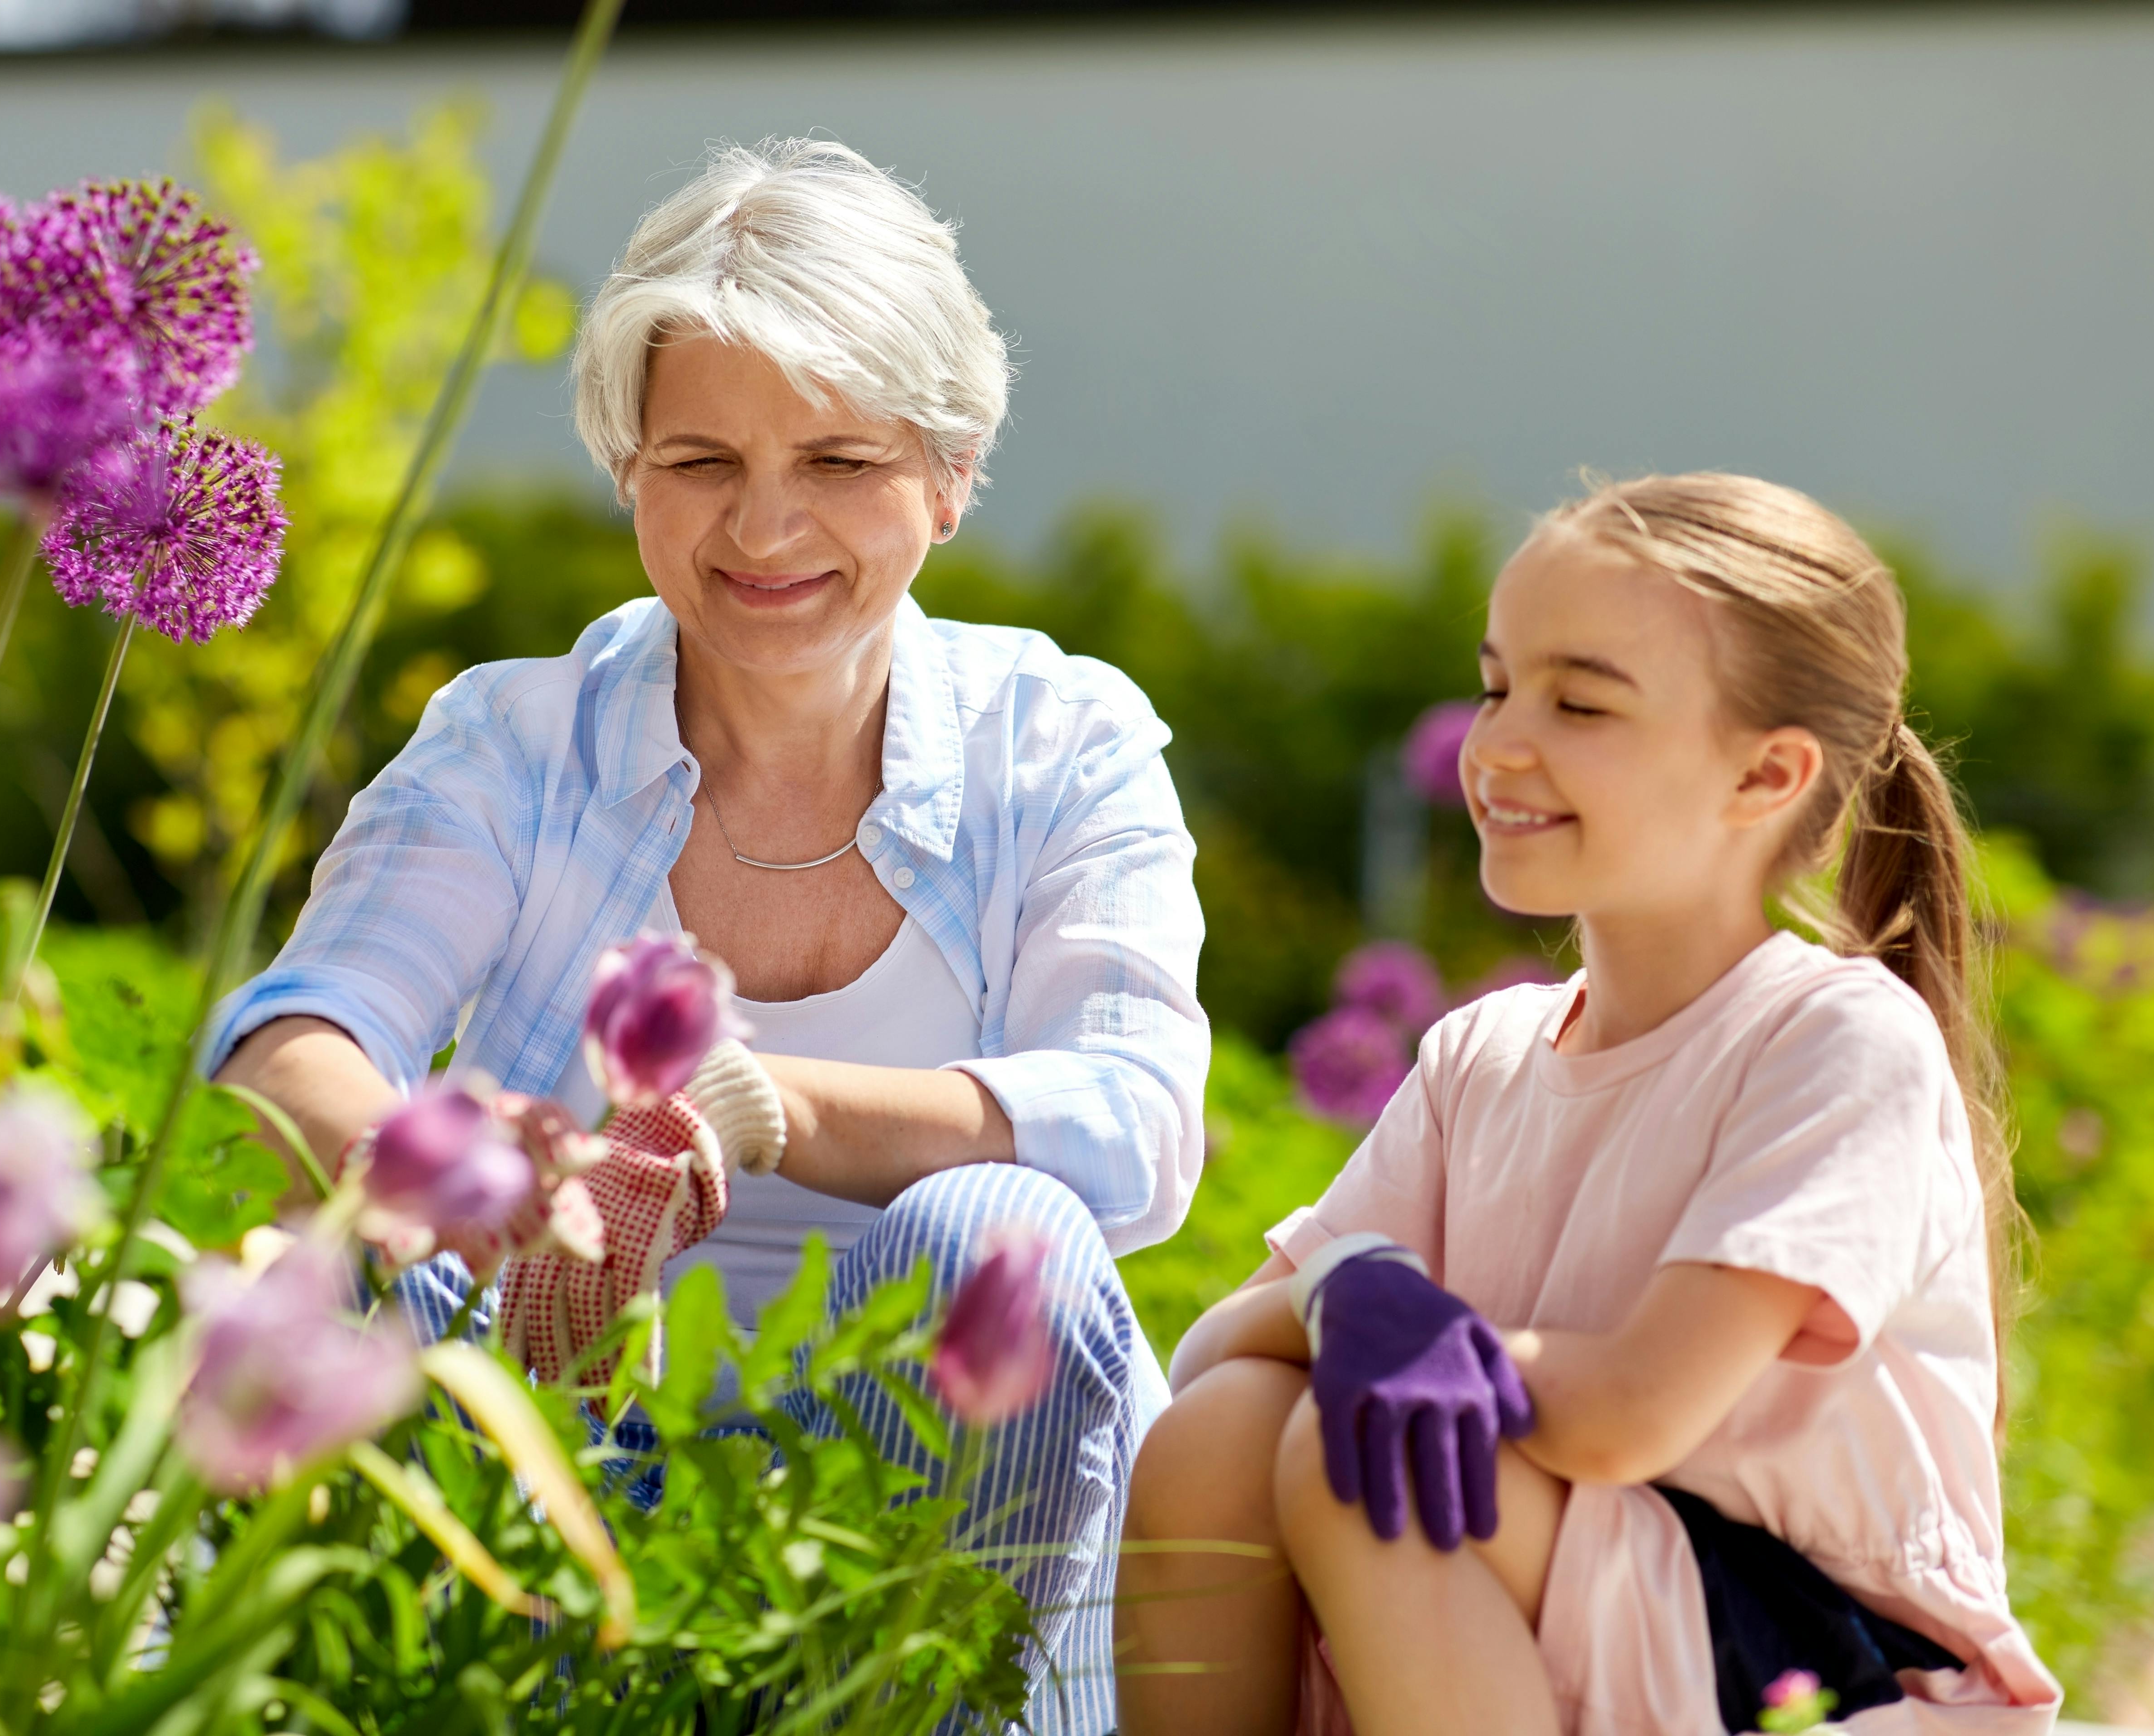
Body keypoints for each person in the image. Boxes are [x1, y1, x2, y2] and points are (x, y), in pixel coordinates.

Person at [205, 137, 1208, 1734]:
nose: (762, 527)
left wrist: (774, 1104)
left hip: (950, 1524)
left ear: (948, 479)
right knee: (358, 1275)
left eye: (838, 460)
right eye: (700, 462)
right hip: (579, 1440)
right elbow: (298, 1040)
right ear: (628, 474)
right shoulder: (511, 742)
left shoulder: (1061, 742)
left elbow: (1136, 1129)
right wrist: (459, 1173)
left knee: (1000, 1233)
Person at [1114, 473, 2061, 1735]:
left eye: (1581, 703)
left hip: (1815, 1660)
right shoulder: (1483, 1055)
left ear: (1768, 775)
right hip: (1584, 1598)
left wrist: (1414, 1338)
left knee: (1370, 1463)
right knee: (1228, 1429)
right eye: (1499, 686)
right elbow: (1217, 1353)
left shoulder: (1836, 1040)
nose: (1499, 745)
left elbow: (1631, 1413)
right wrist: (1349, 1287)